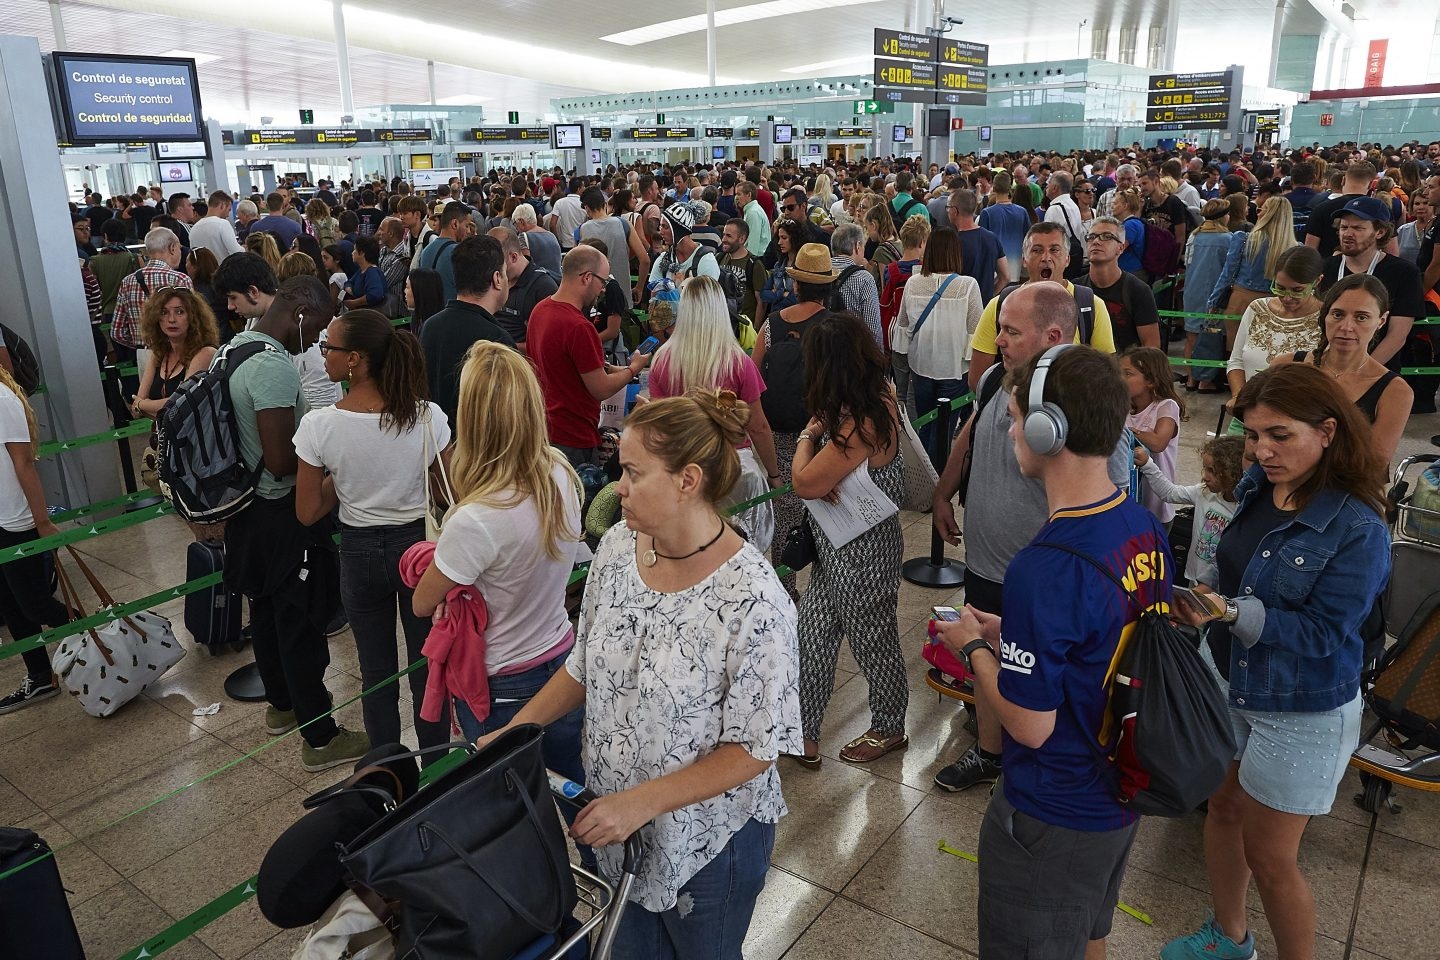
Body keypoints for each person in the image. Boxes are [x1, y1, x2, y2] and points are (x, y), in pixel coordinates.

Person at [474, 390, 801, 960]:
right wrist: (516, 731)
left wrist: (643, 803)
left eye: (631, 472)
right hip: (614, 822)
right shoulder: (621, 548)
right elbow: (585, 666)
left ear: (688, 479)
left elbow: (755, 747)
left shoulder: (754, 599)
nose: (617, 487)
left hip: (703, 845)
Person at [932, 344, 1167, 960]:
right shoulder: (1139, 524)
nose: (1011, 429)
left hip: (1053, 810)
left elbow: (1030, 726)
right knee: (1090, 936)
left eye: (1014, 417)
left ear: (1046, 430)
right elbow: (1101, 637)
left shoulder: (1045, 565)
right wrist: (1014, 633)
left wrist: (974, 649)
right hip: (1118, 796)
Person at [1161, 363, 1390, 960]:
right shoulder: (1258, 487)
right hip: (1230, 681)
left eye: (1280, 435)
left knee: (1271, 857)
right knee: (1224, 808)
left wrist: (1231, 613)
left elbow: (1323, 633)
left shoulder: (1358, 528)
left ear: (1329, 431)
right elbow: (1231, 560)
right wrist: (1202, 593)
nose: (1262, 450)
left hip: (1301, 705)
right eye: (1255, 434)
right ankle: (1229, 937)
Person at [931, 285, 1134, 793]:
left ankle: (1040, 758)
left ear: (1053, 335)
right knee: (991, 662)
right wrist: (943, 492)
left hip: (1041, 572)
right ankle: (989, 751)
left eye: (1010, 331)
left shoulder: (1084, 402)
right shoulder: (997, 379)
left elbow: (1111, 492)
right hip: (986, 560)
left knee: (1039, 673)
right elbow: (972, 433)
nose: (997, 339)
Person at [410, 340, 585, 785]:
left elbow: (421, 603)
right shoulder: (561, 473)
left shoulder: (475, 519)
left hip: (501, 687)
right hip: (563, 661)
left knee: (507, 810)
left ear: (471, 417)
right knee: (577, 792)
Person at [221, 276, 369, 772]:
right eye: (321, 327)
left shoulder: (237, 347)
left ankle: (282, 706)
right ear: (302, 312)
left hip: (248, 511)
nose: (318, 341)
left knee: (264, 611)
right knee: (300, 623)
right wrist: (331, 470)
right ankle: (321, 737)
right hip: (283, 514)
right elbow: (283, 460)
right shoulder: (273, 368)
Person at [294, 310, 449, 757]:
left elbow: (307, 511)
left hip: (358, 551)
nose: (324, 355)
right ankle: (437, 767)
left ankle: (386, 770)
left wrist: (341, 477)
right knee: (427, 666)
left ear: (355, 360)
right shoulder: (426, 417)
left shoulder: (319, 427)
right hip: (419, 552)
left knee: (375, 671)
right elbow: (448, 488)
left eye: (330, 348)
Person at [791, 311, 908, 765]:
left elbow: (804, 483)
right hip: (835, 547)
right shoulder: (864, 404)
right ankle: (803, 732)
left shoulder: (864, 420)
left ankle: (889, 726)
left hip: (864, 553)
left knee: (872, 640)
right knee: (814, 633)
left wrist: (809, 437)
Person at [751, 244, 835, 601]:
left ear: (797, 284)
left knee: (784, 511)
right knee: (828, 509)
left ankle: (783, 589)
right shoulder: (832, 327)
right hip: (822, 432)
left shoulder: (771, 325)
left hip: (780, 432)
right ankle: (825, 587)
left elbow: (752, 377)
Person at [528, 245, 651, 467]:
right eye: (602, 282)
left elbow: (560, 365)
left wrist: (605, 367)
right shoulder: (579, 327)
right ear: (586, 277)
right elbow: (601, 388)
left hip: (544, 430)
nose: (602, 290)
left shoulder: (540, 311)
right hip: (574, 437)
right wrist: (634, 368)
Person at [1277, 274, 1413, 466]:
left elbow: (1373, 466)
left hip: (1348, 492)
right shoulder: (1285, 366)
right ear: (1325, 315)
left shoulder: (1395, 391)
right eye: (1338, 314)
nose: (1346, 327)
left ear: (1381, 320)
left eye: (1361, 317)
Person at [0, 364, 73, 716]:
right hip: (1, 520)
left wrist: (42, 521)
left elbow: (24, 463)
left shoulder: (2, 398)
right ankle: (40, 675)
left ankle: (101, 637)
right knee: (11, 606)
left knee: (36, 605)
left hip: (18, 521)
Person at [967, 223, 1118, 391]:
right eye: (1037, 250)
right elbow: (978, 380)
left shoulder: (1090, 306)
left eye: (1054, 250)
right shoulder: (1001, 305)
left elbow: (1107, 377)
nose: (1046, 257)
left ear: (1067, 259)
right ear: (1024, 259)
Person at [893, 227, 983, 459]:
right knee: (944, 427)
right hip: (954, 370)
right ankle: (936, 478)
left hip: (921, 367)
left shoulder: (913, 283)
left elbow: (902, 327)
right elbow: (976, 333)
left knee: (926, 422)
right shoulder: (968, 286)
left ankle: (923, 471)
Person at [1315, 196, 1425, 369]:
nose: (1347, 234)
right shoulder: (1323, 268)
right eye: (1344, 227)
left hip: (1376, 372)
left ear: (1379, 232)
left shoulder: (1404, 273)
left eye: (1358, 228)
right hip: (1325, 369)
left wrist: (1360, 371)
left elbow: (1397, 334)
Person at [418, 237, 515, 423]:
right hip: (478, 447)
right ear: (497, 279)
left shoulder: (430, 326)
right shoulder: (497, 340)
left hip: (436, 443)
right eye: (504, 274)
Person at [1134, 435, 1245, 588]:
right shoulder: (1204, 493)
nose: (1205, 476)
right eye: (1205, 468)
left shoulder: (1244, 510)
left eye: (1212, 471)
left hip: (1221, 589)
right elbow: (1170, 493)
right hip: (1193, 578)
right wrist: (1147, 464)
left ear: (1233, 473)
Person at [129, 287, 218, 421]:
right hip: (162, 438)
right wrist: (149, 407)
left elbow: (181, 405)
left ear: (193, 316)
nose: (171, 319)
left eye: (180, 312)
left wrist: (142, 404)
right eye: (164, 312)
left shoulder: (205, 353)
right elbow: (136, 411)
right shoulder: (159, 352)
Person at [1075, 215, 1161, 352]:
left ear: (1120, 248)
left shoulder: (1138, 291)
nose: (1096, 241)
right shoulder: (1075, 289)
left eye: (1107, 236)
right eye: (1091, 237)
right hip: (1086, 369)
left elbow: (1151, 346)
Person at [1120, 346, 1185, 526]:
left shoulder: (1166, 406)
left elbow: (1158, 443)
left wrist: (1126, 431)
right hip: (1128, 501)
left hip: (1157, 506)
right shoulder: (1123, 408)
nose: (1120, 379)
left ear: (1150, 381)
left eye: (1127, 374)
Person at [1209, 196, 1299, 319]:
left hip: (1241, 302)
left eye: (1260, 210)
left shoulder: (1243, 239)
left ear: (1267, 215)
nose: (1258, 213)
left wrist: (1214, 301)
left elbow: (1227, 273)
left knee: (1236, 339)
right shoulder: (1295, 248)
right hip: (1277, 305)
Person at [1181, 199, 1234, 390]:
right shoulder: (1227, 239)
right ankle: (1206, 380)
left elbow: (1187, 264)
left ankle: (1190, 379)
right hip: (1214, 295)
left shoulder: (1194, 237)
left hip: (1191, 291)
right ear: (1223, 216)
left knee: (1192, 337)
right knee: (1211, 338)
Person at [490, 225, 559, 350]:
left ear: (514, 257)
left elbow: (551, 344)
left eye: (497, 263)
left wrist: (503, 348)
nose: (493, 269)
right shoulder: (495, 278)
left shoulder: (543, 286)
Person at [945, 189, 1008, 303]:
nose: (947, 211)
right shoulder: (992, 238)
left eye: (948, 207)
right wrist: (988, 295)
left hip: (960, 307)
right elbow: (1005, 277)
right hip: (984, 308)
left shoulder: (952, 243)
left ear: (954, 211)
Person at [1303, 160, 1375, 257]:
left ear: (1343, 180)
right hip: (1372, 269)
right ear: (1371, 185)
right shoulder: (1381, 211)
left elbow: (1309, 251)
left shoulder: (1321, 209)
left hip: (1327, 269)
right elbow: (1392, 251)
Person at [828, 223, 882, 350]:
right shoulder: (864, 278)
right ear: (857, 246)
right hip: (854, 354)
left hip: (824, 352)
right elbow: (873, 328)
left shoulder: (820, 272)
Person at [419, 202, 475, 302]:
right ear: (455, 224)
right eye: (467, 226)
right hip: (454, 314)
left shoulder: (426, 251)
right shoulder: (459, 252)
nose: (469, 231)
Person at [719, 217, 770, 328]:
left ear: (741, 239)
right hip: (722, 325)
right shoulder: (719, 258)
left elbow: (761, 302)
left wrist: (755, 330)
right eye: (723, 234)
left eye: (729, 236)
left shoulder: (754, 265)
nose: (723, 239)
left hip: (744, 328)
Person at [189, 190, 244, 263]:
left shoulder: (194, 228)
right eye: (229, 210)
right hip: (224, 270)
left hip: (204, 273)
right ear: (222, 205)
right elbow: (236, 252)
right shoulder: (222, 224)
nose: (228, 215)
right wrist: (244, 248)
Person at [342, 236, 388, 311]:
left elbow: (375, 295)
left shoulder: (372, 273)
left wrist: (354, 303)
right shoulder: (361, 271)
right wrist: (348, 288)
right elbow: (349, 282)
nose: (352, 253)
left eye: (355, 250)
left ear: (362, 253)